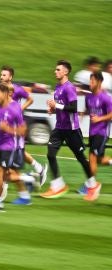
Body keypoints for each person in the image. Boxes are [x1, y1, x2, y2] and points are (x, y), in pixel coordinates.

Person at [40, 60, 95, 199]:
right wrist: (52, 109)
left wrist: (56, 105)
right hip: (59, 128)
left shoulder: (69, 87)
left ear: (65, 72)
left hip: (71, 130)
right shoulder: (57, 87)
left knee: (81, 158)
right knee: (50, 154)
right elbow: (61, 107)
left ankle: (92, 184)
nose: (55, 71)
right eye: (55, 69)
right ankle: (58, 186)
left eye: (58, 69)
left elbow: (73, 108)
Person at [0, 82, 33, 212]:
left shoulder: (15, 108)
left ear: (6, 94)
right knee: (4, 176)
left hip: (10, 146)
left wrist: (9, 129)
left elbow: (23, 131)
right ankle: (28, 178)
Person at [0, 65, 48, 187]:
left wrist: (20, 108)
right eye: (1, 74)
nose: (1, 76)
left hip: (16, 124)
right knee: (18, 151)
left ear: (10, 77)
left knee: (17, 150)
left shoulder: (17, 89)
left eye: (4, 75)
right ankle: (38, 169)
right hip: (6, 124)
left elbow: (30, 99)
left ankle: (6, 181)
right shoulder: (0, 89)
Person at [77, 71, 112, 201]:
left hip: (102, 133)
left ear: (99, 82)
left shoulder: (106, 98)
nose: (90, 83)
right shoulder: (89, 97)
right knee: (98, 160)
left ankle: (91, 186)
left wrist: (100, 119)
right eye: (89, 81)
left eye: (92, 81)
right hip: (92, 132)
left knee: (92, 157)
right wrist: (81, 114)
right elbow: (88, 109)